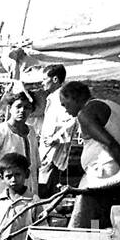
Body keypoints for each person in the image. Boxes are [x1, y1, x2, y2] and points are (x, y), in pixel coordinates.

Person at [59, 81, 120, 228]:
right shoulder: (114, 106)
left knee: (89, 223)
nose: (65, 110)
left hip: (103, 174)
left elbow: (110, 144)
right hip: (113, 171)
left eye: (65, 104)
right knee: (105, 219)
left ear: (75, 98)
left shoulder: (85, 113)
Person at [37, 65, 77, 198]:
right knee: (45, 187)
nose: (42, 83)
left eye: (44, 79)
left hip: (52, 153)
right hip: (47, 150)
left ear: (54, 79)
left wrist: (55, 138)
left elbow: (72, 120)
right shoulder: (53, 98)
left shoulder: (62, 97)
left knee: (44, 189)